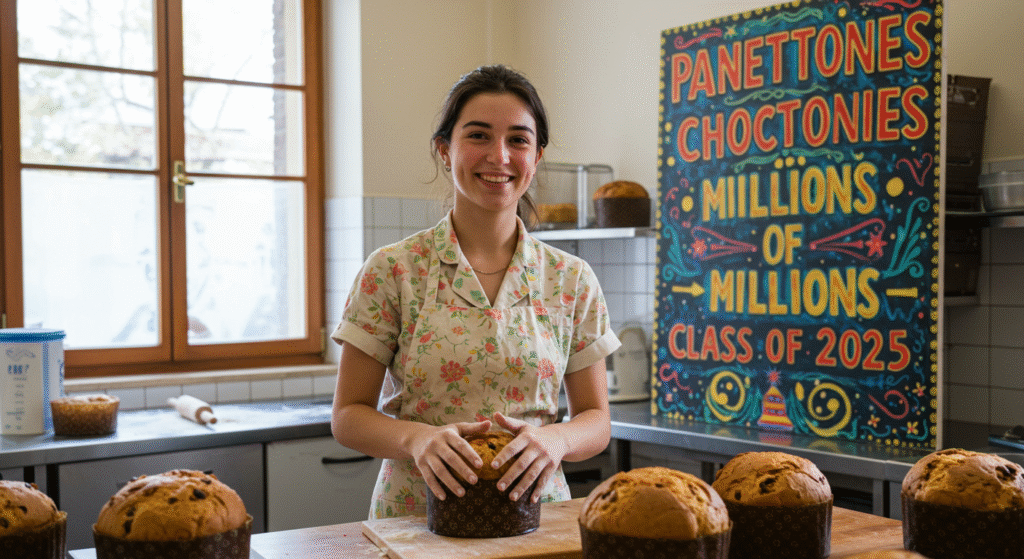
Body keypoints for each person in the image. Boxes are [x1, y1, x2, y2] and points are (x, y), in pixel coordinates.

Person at [330, 64, 620, 519]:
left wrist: (555, 439)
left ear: (537, 155)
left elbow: (596, 420)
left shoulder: (571, 279)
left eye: (518, 139)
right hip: (417, 518)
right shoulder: (393, 270)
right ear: (445, 150)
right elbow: (348, 414)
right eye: (479, 136)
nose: (499, 156)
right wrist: (416, 437)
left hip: (537, 518)